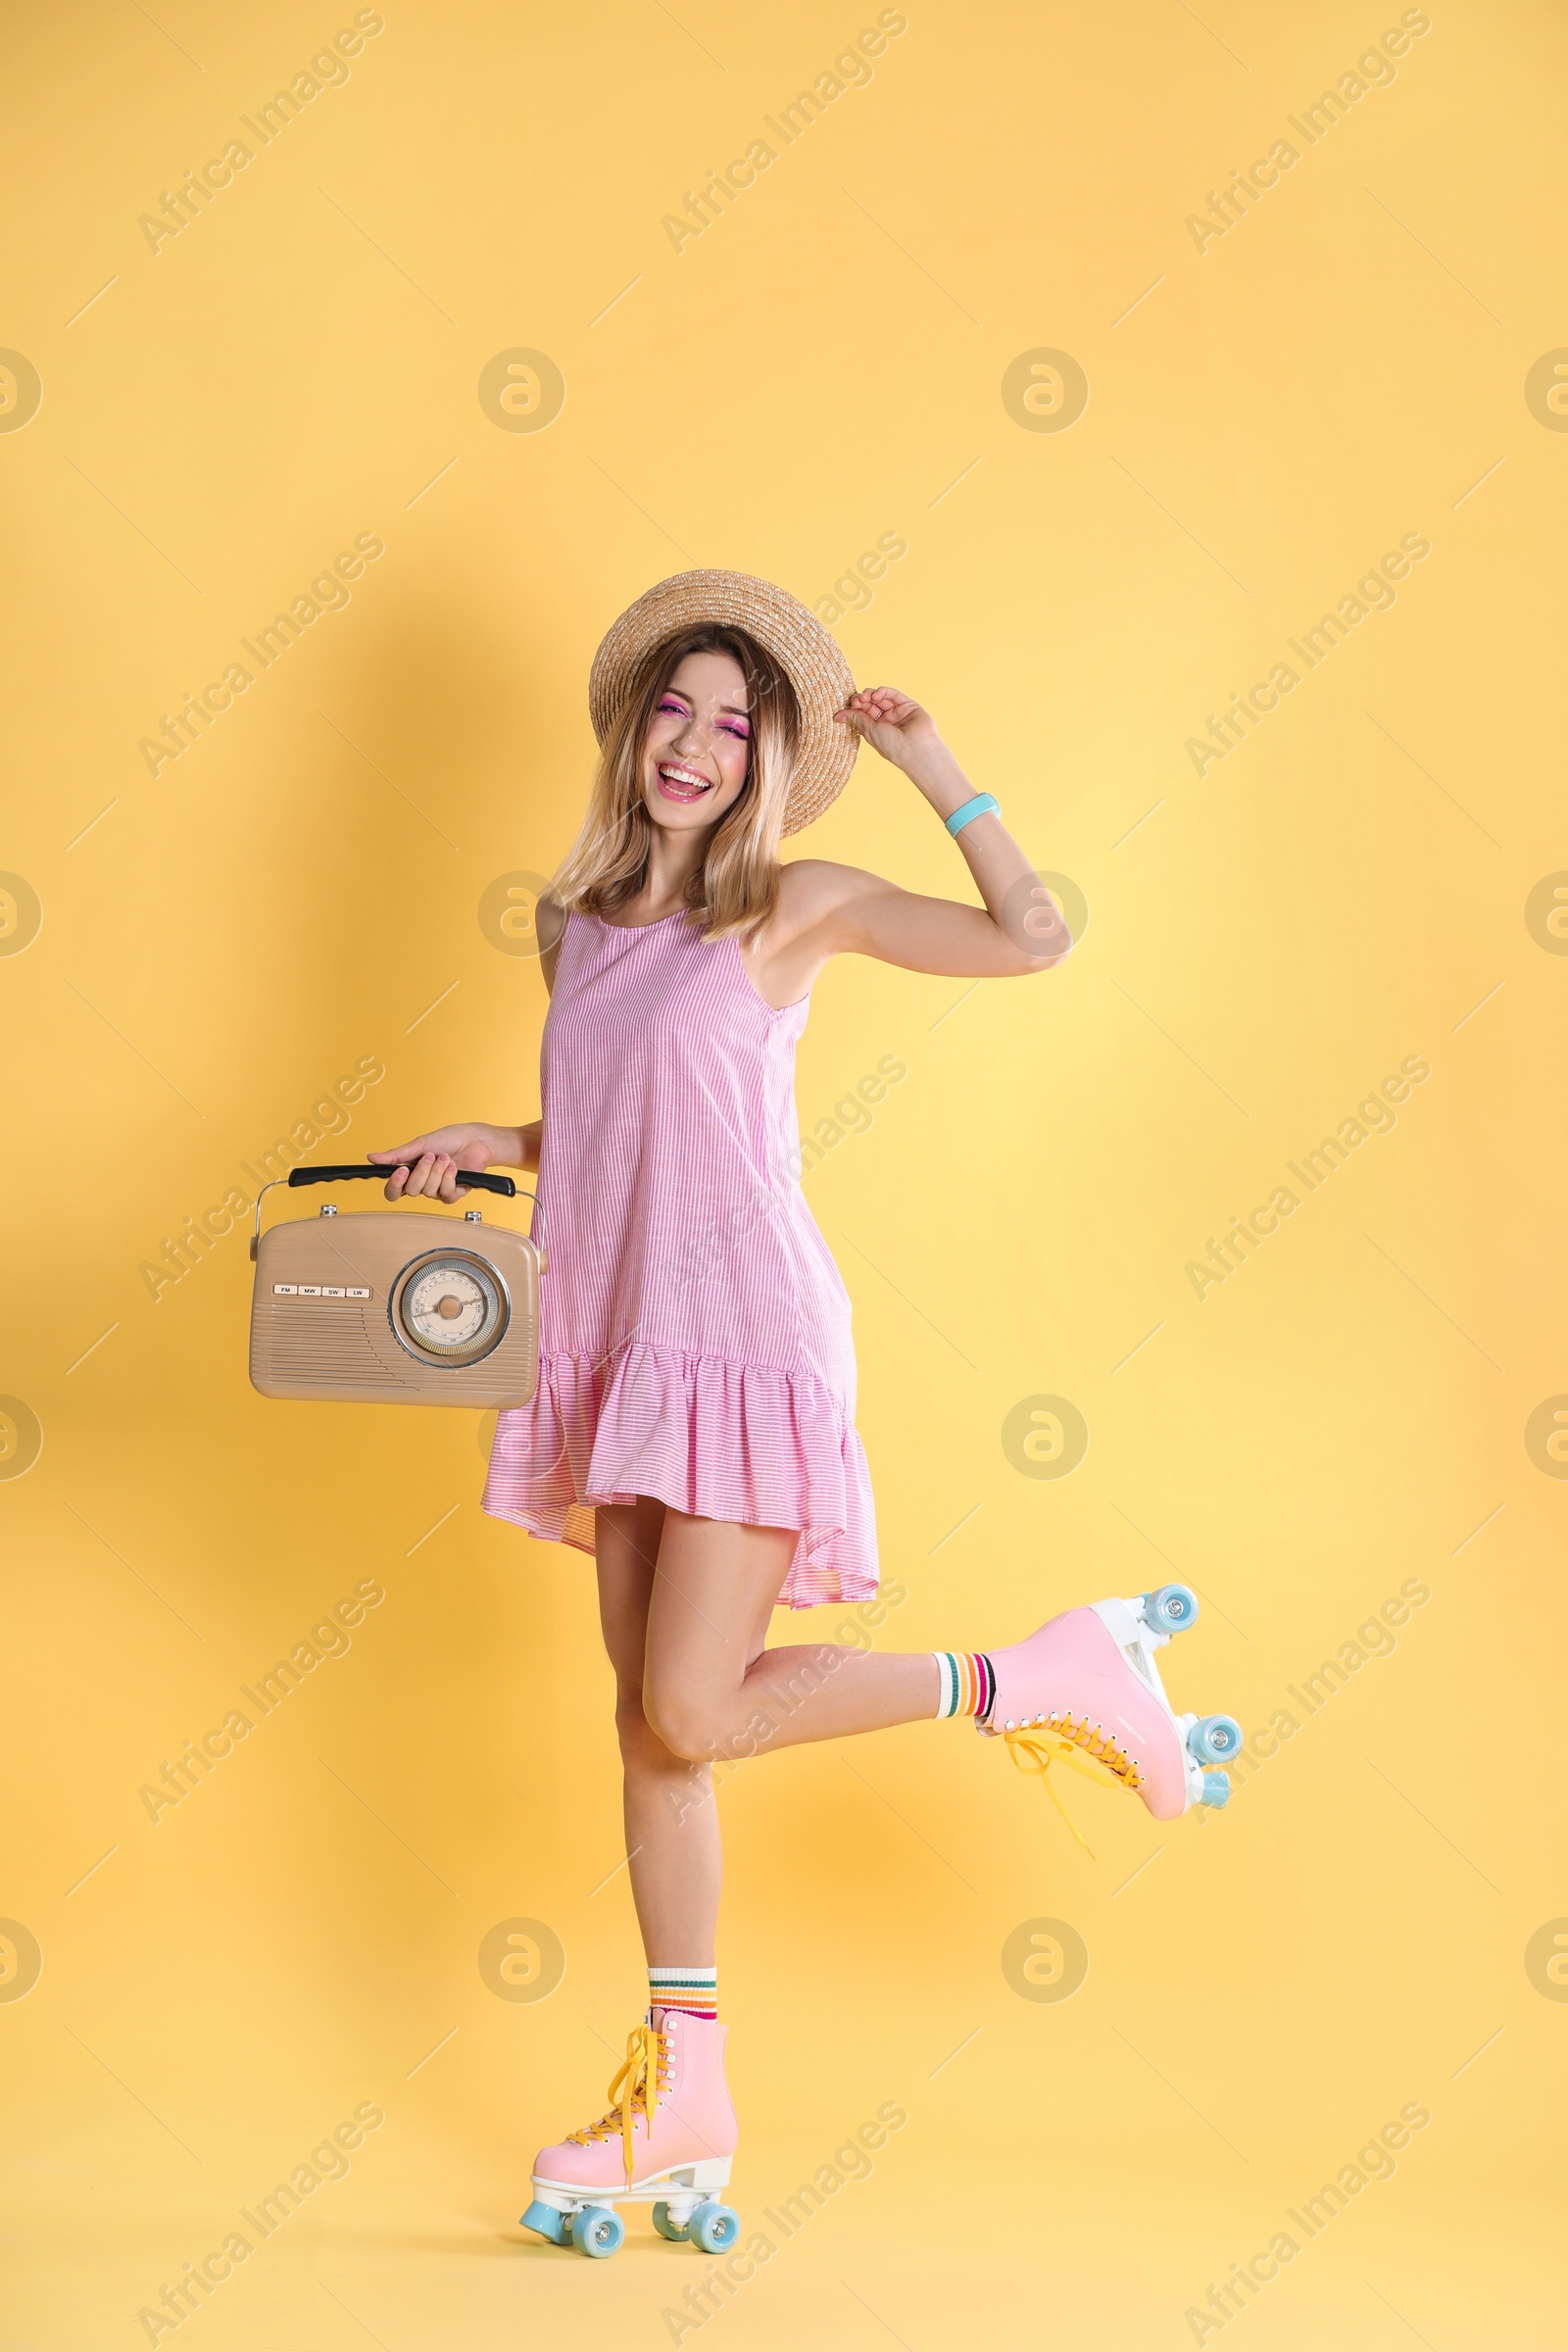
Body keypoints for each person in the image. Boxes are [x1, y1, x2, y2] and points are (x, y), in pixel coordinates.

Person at [369, 569, 1233, 2257]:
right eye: (673, 714)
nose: (694, 745)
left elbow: (1031, 937)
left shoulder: (799, 905)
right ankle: (684, 2092)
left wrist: (940, 769)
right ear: (633, 738)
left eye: (732, 723)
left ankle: (1035, 1677)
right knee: (647, 1726)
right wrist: (499, 1144)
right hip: (617, 1340)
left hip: (747, 1338)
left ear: (769, 759)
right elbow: (628, 1124)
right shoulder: (577, 925)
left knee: (688, 1711)